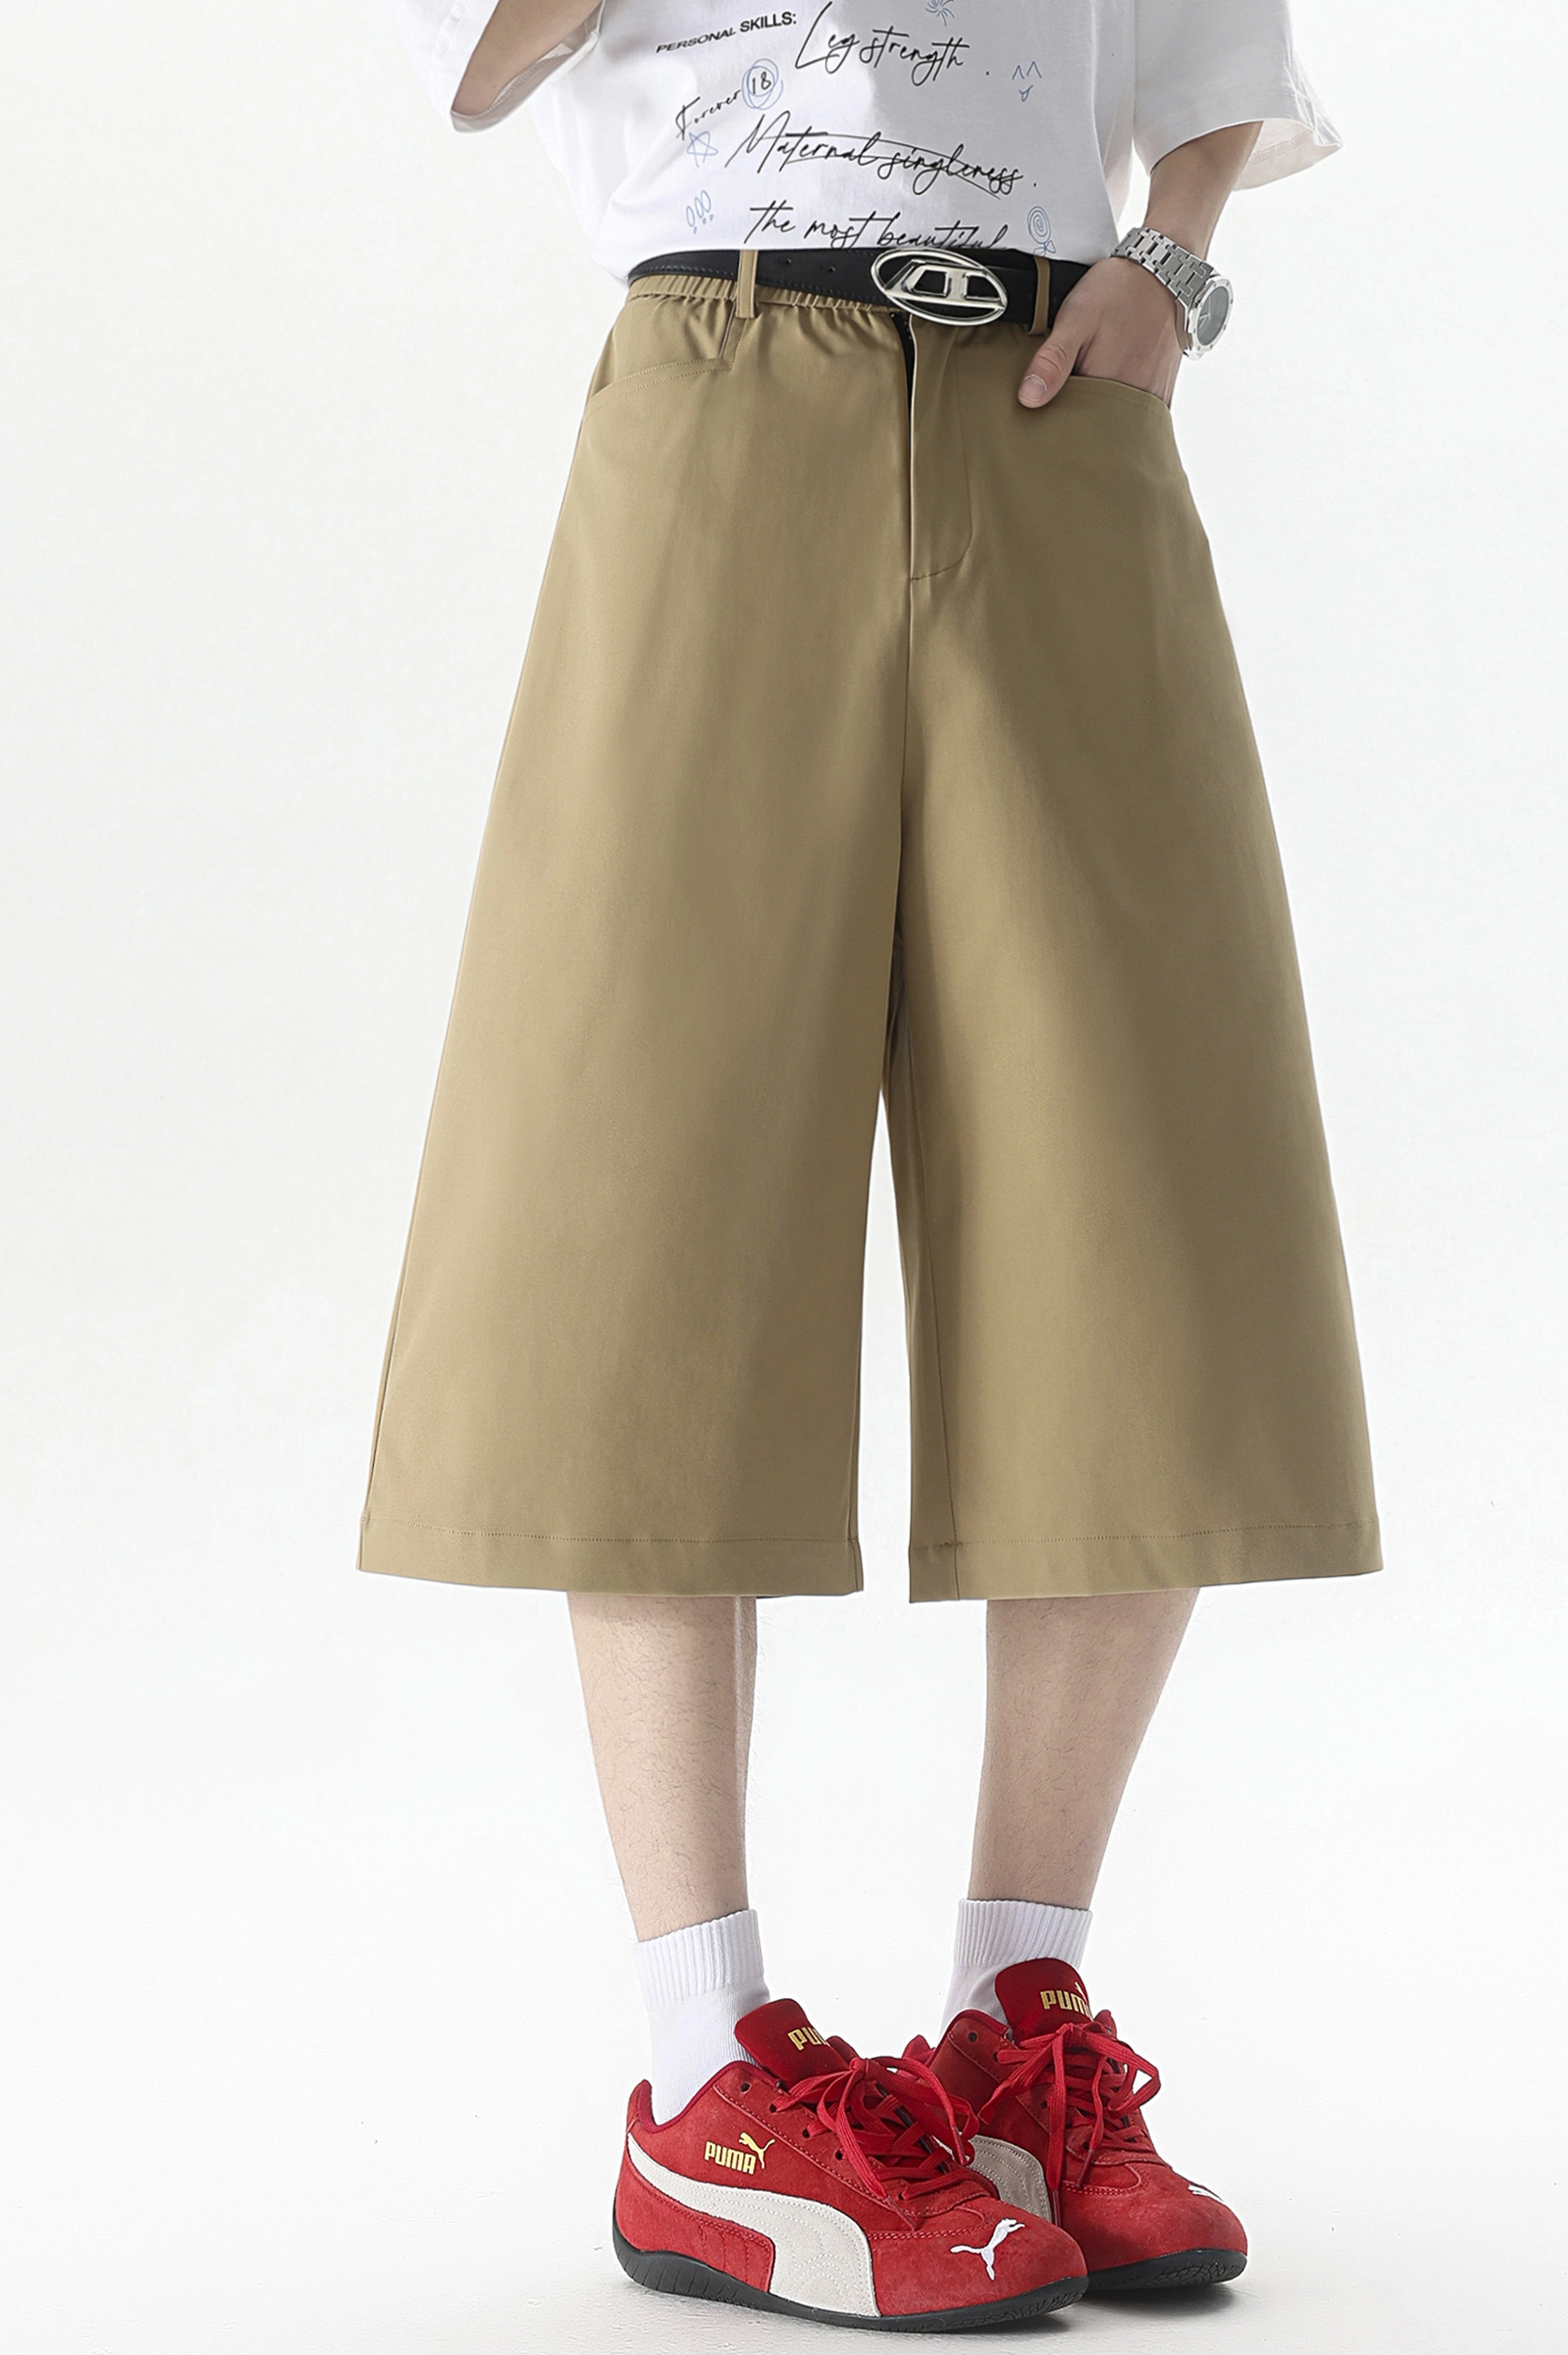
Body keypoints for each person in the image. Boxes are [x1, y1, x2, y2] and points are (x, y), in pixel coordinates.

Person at [364, 0, 1380, 2328]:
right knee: (649, 1188)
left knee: (1137, 1180)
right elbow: (476, 63)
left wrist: (1175, 260)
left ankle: (1019, 2026)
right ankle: (699, 2072)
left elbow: (1213, 50)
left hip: (1055, 404)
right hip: (720, 391)